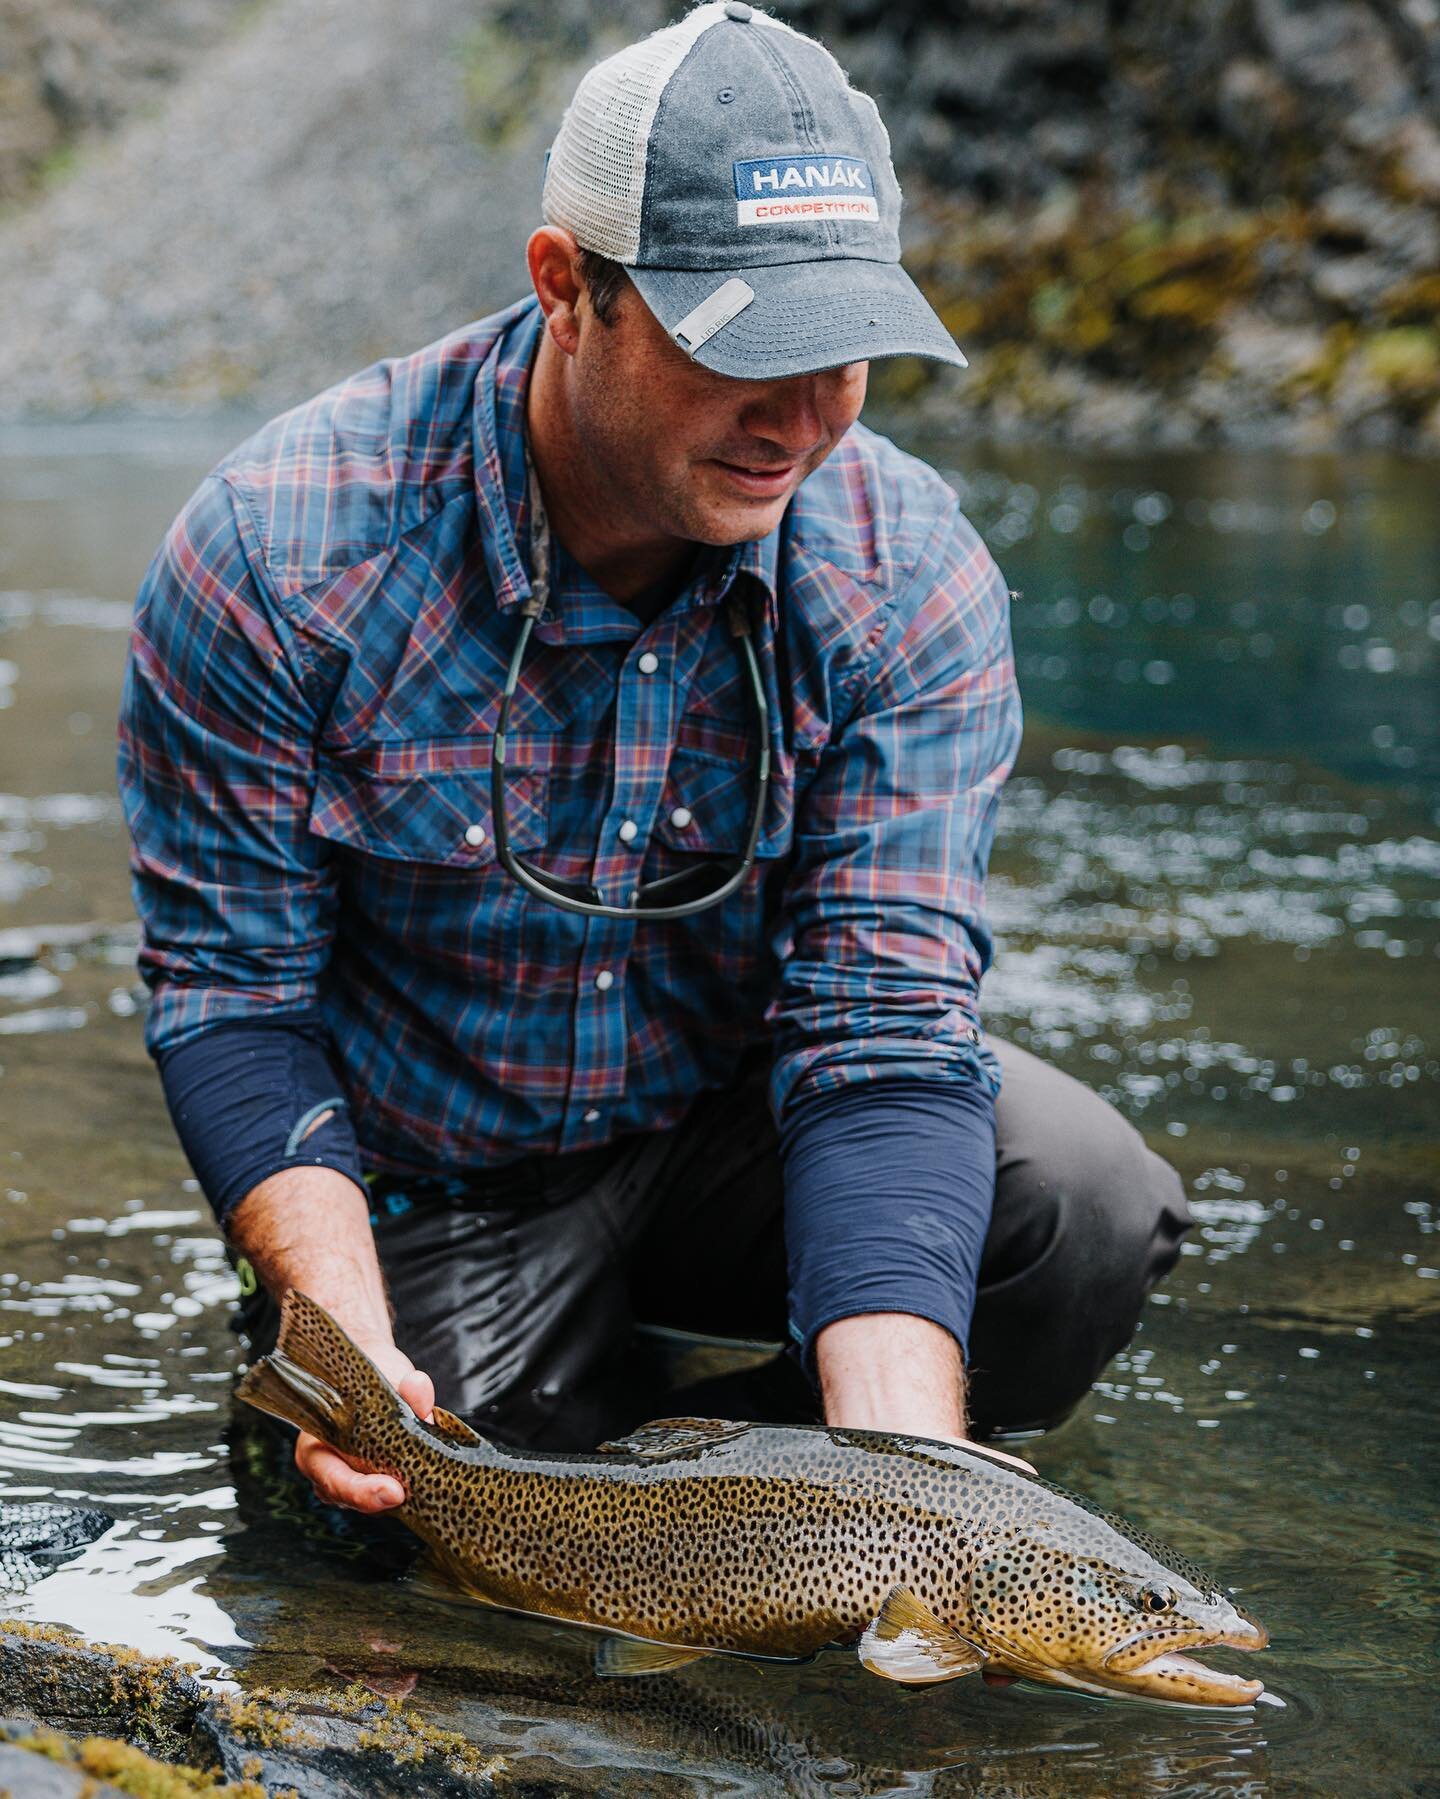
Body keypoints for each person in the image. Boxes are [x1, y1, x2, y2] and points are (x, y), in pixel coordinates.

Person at [118, 1, 1190, 1518]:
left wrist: (910, 1489)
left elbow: (882, 1034)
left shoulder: (908, 574)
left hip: (731, 1135)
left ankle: (772, 1481)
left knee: (1079, 1210)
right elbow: (237, 1001)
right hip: (438, 1186)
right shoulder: (280, 556)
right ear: (570, 288)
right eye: (746, 349)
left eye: (849, 354)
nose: (808, 420)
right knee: (425, 1527)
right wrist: (335, 1329)